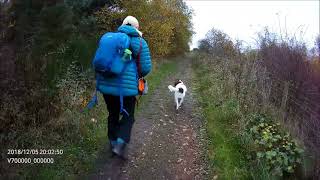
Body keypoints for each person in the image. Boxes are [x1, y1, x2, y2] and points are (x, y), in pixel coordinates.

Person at [98, 16, 152, 157]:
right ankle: (121, 142)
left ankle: (113, 141)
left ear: (122, 25)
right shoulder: (140, 42)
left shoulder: (111, 39)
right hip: (127, 89)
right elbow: (145, 68)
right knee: (128, 116)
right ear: (137, 27)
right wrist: (136, 74)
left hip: (106, 86)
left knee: (113, 113)